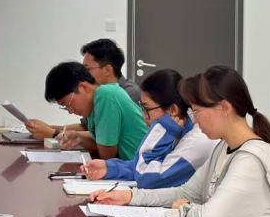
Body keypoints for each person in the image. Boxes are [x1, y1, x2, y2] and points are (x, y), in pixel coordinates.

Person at [91, 65, 270, 217]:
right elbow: (185, 193)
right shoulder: (224, 147)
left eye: (197, 110)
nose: (193, 119)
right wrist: (130, 196)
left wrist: (184, 208)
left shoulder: (251, 160)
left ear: (224, 108)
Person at [81, 70, 218, 189]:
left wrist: (162, 129)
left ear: (172, 110)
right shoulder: (178, 127)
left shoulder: (196, 141)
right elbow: (143, 167)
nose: (143, 115)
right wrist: (109, 168)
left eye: (147, 108)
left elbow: (147, 178)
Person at [28, 38, 141, 139]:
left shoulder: (128, 93)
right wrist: (47, 128)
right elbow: (85, 127)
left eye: (87, 69)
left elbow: (105, 135)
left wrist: (53, 133)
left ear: (107, 70)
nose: (83, 73)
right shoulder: (98, 95)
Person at [42, 61, 148, 160]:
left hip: (146, 167)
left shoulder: (105, 96)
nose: (70, 111)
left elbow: (107, 154)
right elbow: (100, 145)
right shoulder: (95, 104)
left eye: (68, 104)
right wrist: (78, 137)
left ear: (84, 87)